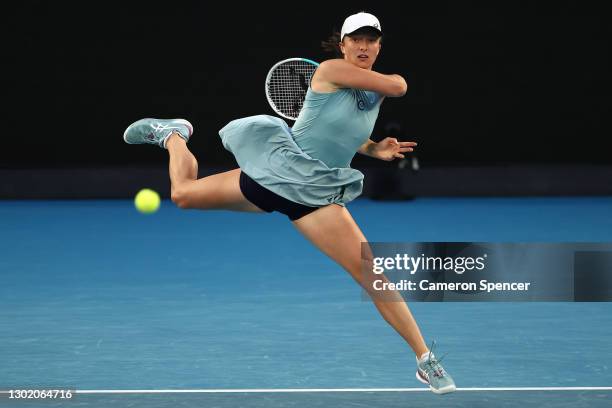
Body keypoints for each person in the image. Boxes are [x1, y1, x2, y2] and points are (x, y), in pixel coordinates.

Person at [123, 11, 456, 394]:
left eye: (372, 40)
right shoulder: (332, 69)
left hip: (315, 199)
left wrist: (372, 148)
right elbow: (398, 86)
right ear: (342, 44)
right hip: (278, 174)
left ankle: (424, 360)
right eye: (357, 40)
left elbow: (340, 131)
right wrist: (398, 80)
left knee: (372, 274)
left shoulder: (368, 91)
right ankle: (174, 135)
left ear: (379, 45)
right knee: (181, 194)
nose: (364, 47)